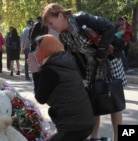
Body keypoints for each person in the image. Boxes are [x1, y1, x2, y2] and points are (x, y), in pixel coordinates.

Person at [42, 3, 127, 141]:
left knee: (115, 102)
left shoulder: (82, 18)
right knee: (94, 100)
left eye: (51, 23)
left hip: (109, 60)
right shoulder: (63, 36)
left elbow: (109, 27)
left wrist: (101, 52)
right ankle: (93, 137)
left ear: (60, 16)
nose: (51, 27)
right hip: (91, 66)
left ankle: (118, 138)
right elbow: (72, 58)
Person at [27, 34, 95, 141]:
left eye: (37, 49)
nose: (35, 52)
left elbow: (41, 98)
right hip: (86, 123)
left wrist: (35, 72)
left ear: (45, 49)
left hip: (72, 127)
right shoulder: (66, 62)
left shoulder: (50, 69)